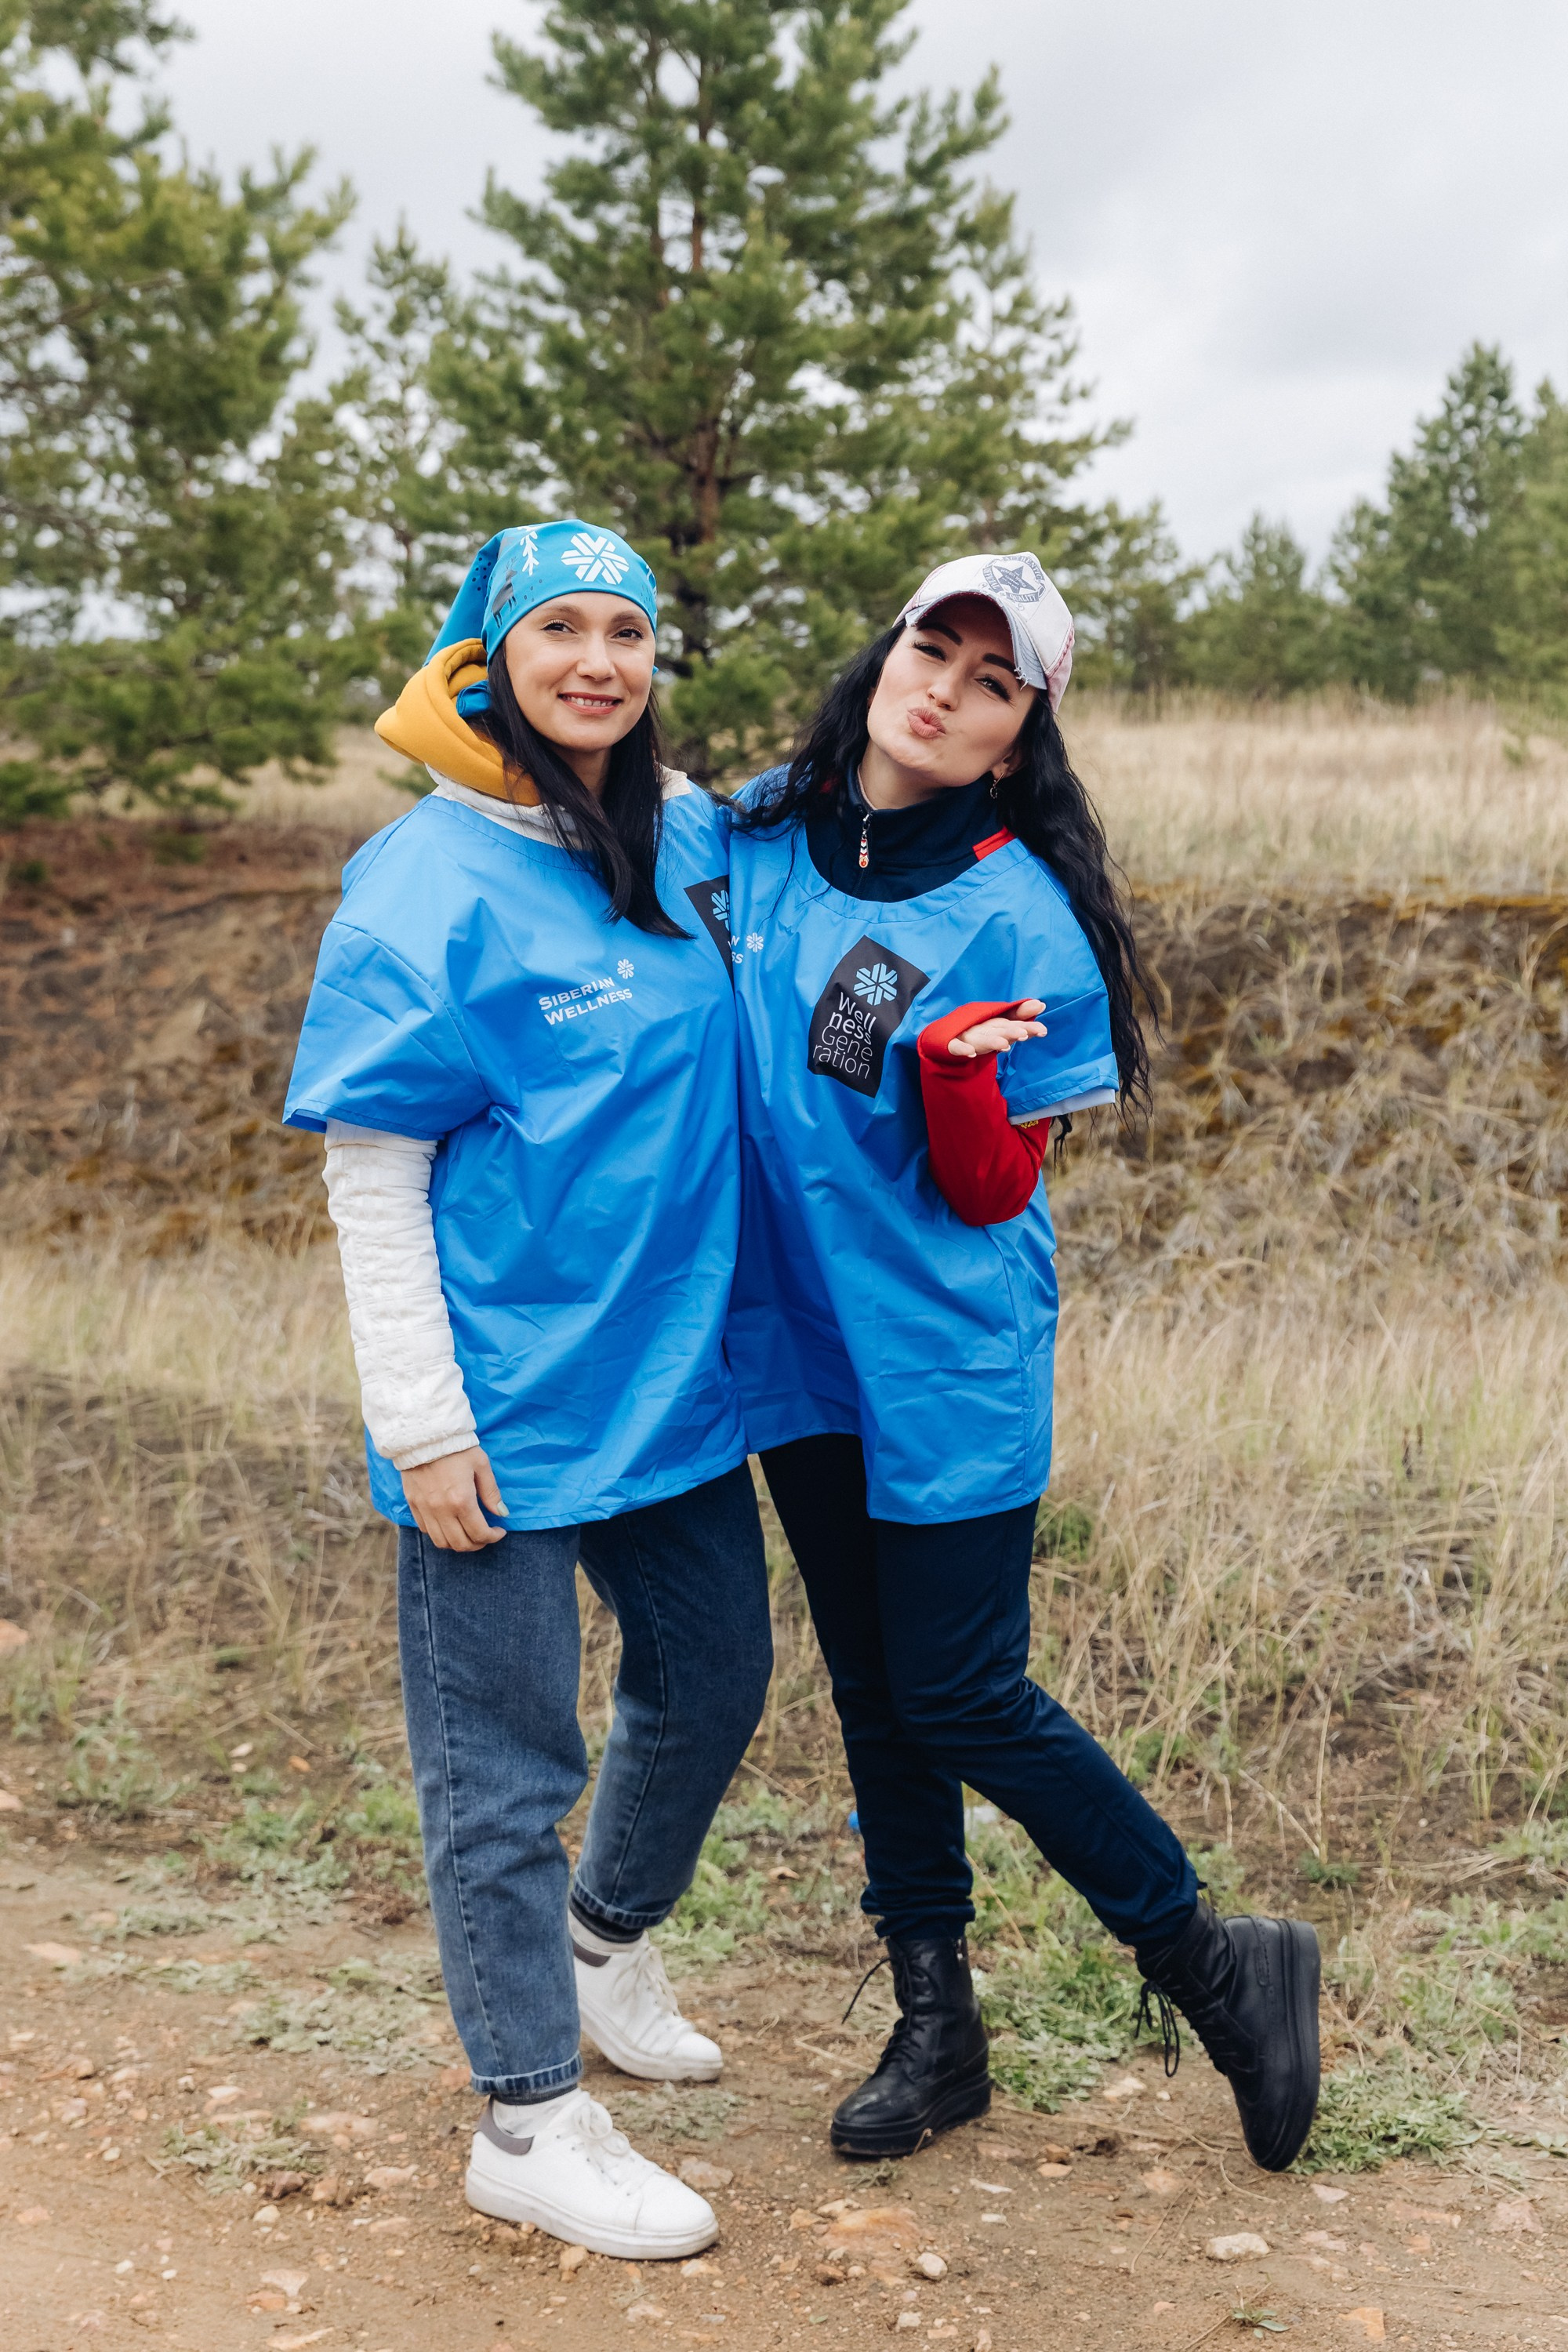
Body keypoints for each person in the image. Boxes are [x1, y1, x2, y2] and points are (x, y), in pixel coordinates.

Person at [723, 553, 1321, 2172]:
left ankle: (1216, 1966)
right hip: (794, 1342)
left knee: (960, 1689)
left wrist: (950, 1081)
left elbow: (991, 1190)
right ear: (887, 654)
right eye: (936, 648)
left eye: (992, 682)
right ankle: (939, 2024)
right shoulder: (763, 828)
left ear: (1015, 738)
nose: (946, 688)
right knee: (870, 1690)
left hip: (940, 1355)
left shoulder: (1019, 916)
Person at [283, 521, 772, 2259]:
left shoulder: (684, 835)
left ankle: (602, 1944)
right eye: (558, 627)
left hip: (672, 1383)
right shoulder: (423, 878)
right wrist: (419, 1418)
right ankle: (527, 2114)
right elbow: (373, 1162)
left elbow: (843, 830)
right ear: (488, 658)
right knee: (502, 1767)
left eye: (626, 631)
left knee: (716, 1672)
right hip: (499, 1405)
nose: (596, 659)